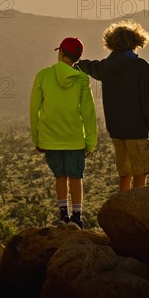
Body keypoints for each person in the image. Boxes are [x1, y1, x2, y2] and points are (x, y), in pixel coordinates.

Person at [76, 19, 149, 192]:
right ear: (137, 41)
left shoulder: (104, 68)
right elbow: (147, 101)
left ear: (111, 42)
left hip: (116, 131)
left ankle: (123, 210)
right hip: (137, 131)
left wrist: (73, 63)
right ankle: (137, 210)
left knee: (125, 174)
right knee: (140, 173)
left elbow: (85, 66)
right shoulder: (142, 67)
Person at [30, 37, 97, 228]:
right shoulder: (82, 79)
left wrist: (37, 138)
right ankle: (77, 218)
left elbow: (34, 108)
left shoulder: (43, 75)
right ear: (77, 58)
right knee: (76, 177)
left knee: (60, 176)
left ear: (60, 53)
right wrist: (90, 140)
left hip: (50, 138)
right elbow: (88, 112)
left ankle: (63, 216)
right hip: (75, 138)